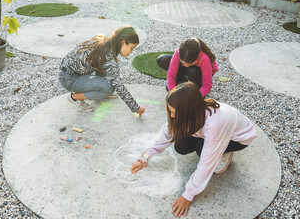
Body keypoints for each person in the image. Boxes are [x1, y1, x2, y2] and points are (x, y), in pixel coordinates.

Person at [130, 82, 256, 218]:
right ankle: (215, 146)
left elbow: (206, 164)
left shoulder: (215, 125)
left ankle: (225, 154)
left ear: (188, 112)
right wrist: (144, 157)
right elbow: (168, 132)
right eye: (170, 111)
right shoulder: (193, 112)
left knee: (202, 150)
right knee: (180, 146)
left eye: (174, 113)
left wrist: (188, 195)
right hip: (209, 130)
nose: (172, 116)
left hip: (238, 138)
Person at [59, 26, 145, 114]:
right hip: (69, 79)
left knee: (106, 74)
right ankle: (74, 98)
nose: (131, 52)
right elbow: (118, 86)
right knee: (109, 88)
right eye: (131, 48)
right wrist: (136, 108)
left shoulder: (104, 42)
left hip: (69, 73)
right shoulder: (109, 57)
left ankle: (100, 91)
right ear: (123, 43)